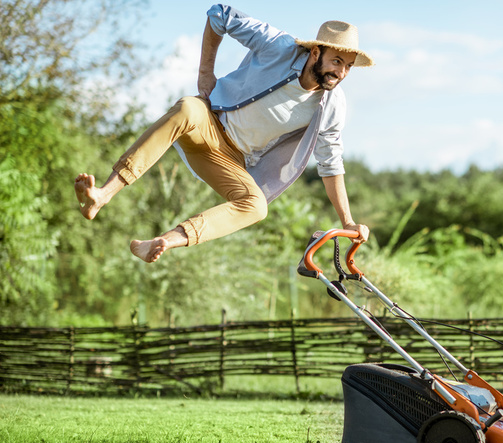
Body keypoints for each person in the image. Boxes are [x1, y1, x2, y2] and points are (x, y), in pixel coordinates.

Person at [74, 4, 372, 263]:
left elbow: (331, 166)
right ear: (316, 52)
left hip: (232, 160)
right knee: (188, 108)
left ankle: (161, 242)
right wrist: (205, 72)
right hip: (207, 124)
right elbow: (220, 14)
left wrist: (348, 221)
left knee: (256, 207)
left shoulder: (332, 105)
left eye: (348, 67)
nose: (342, 73)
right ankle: (102, 195)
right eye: (336, 61)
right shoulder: (279, 46)